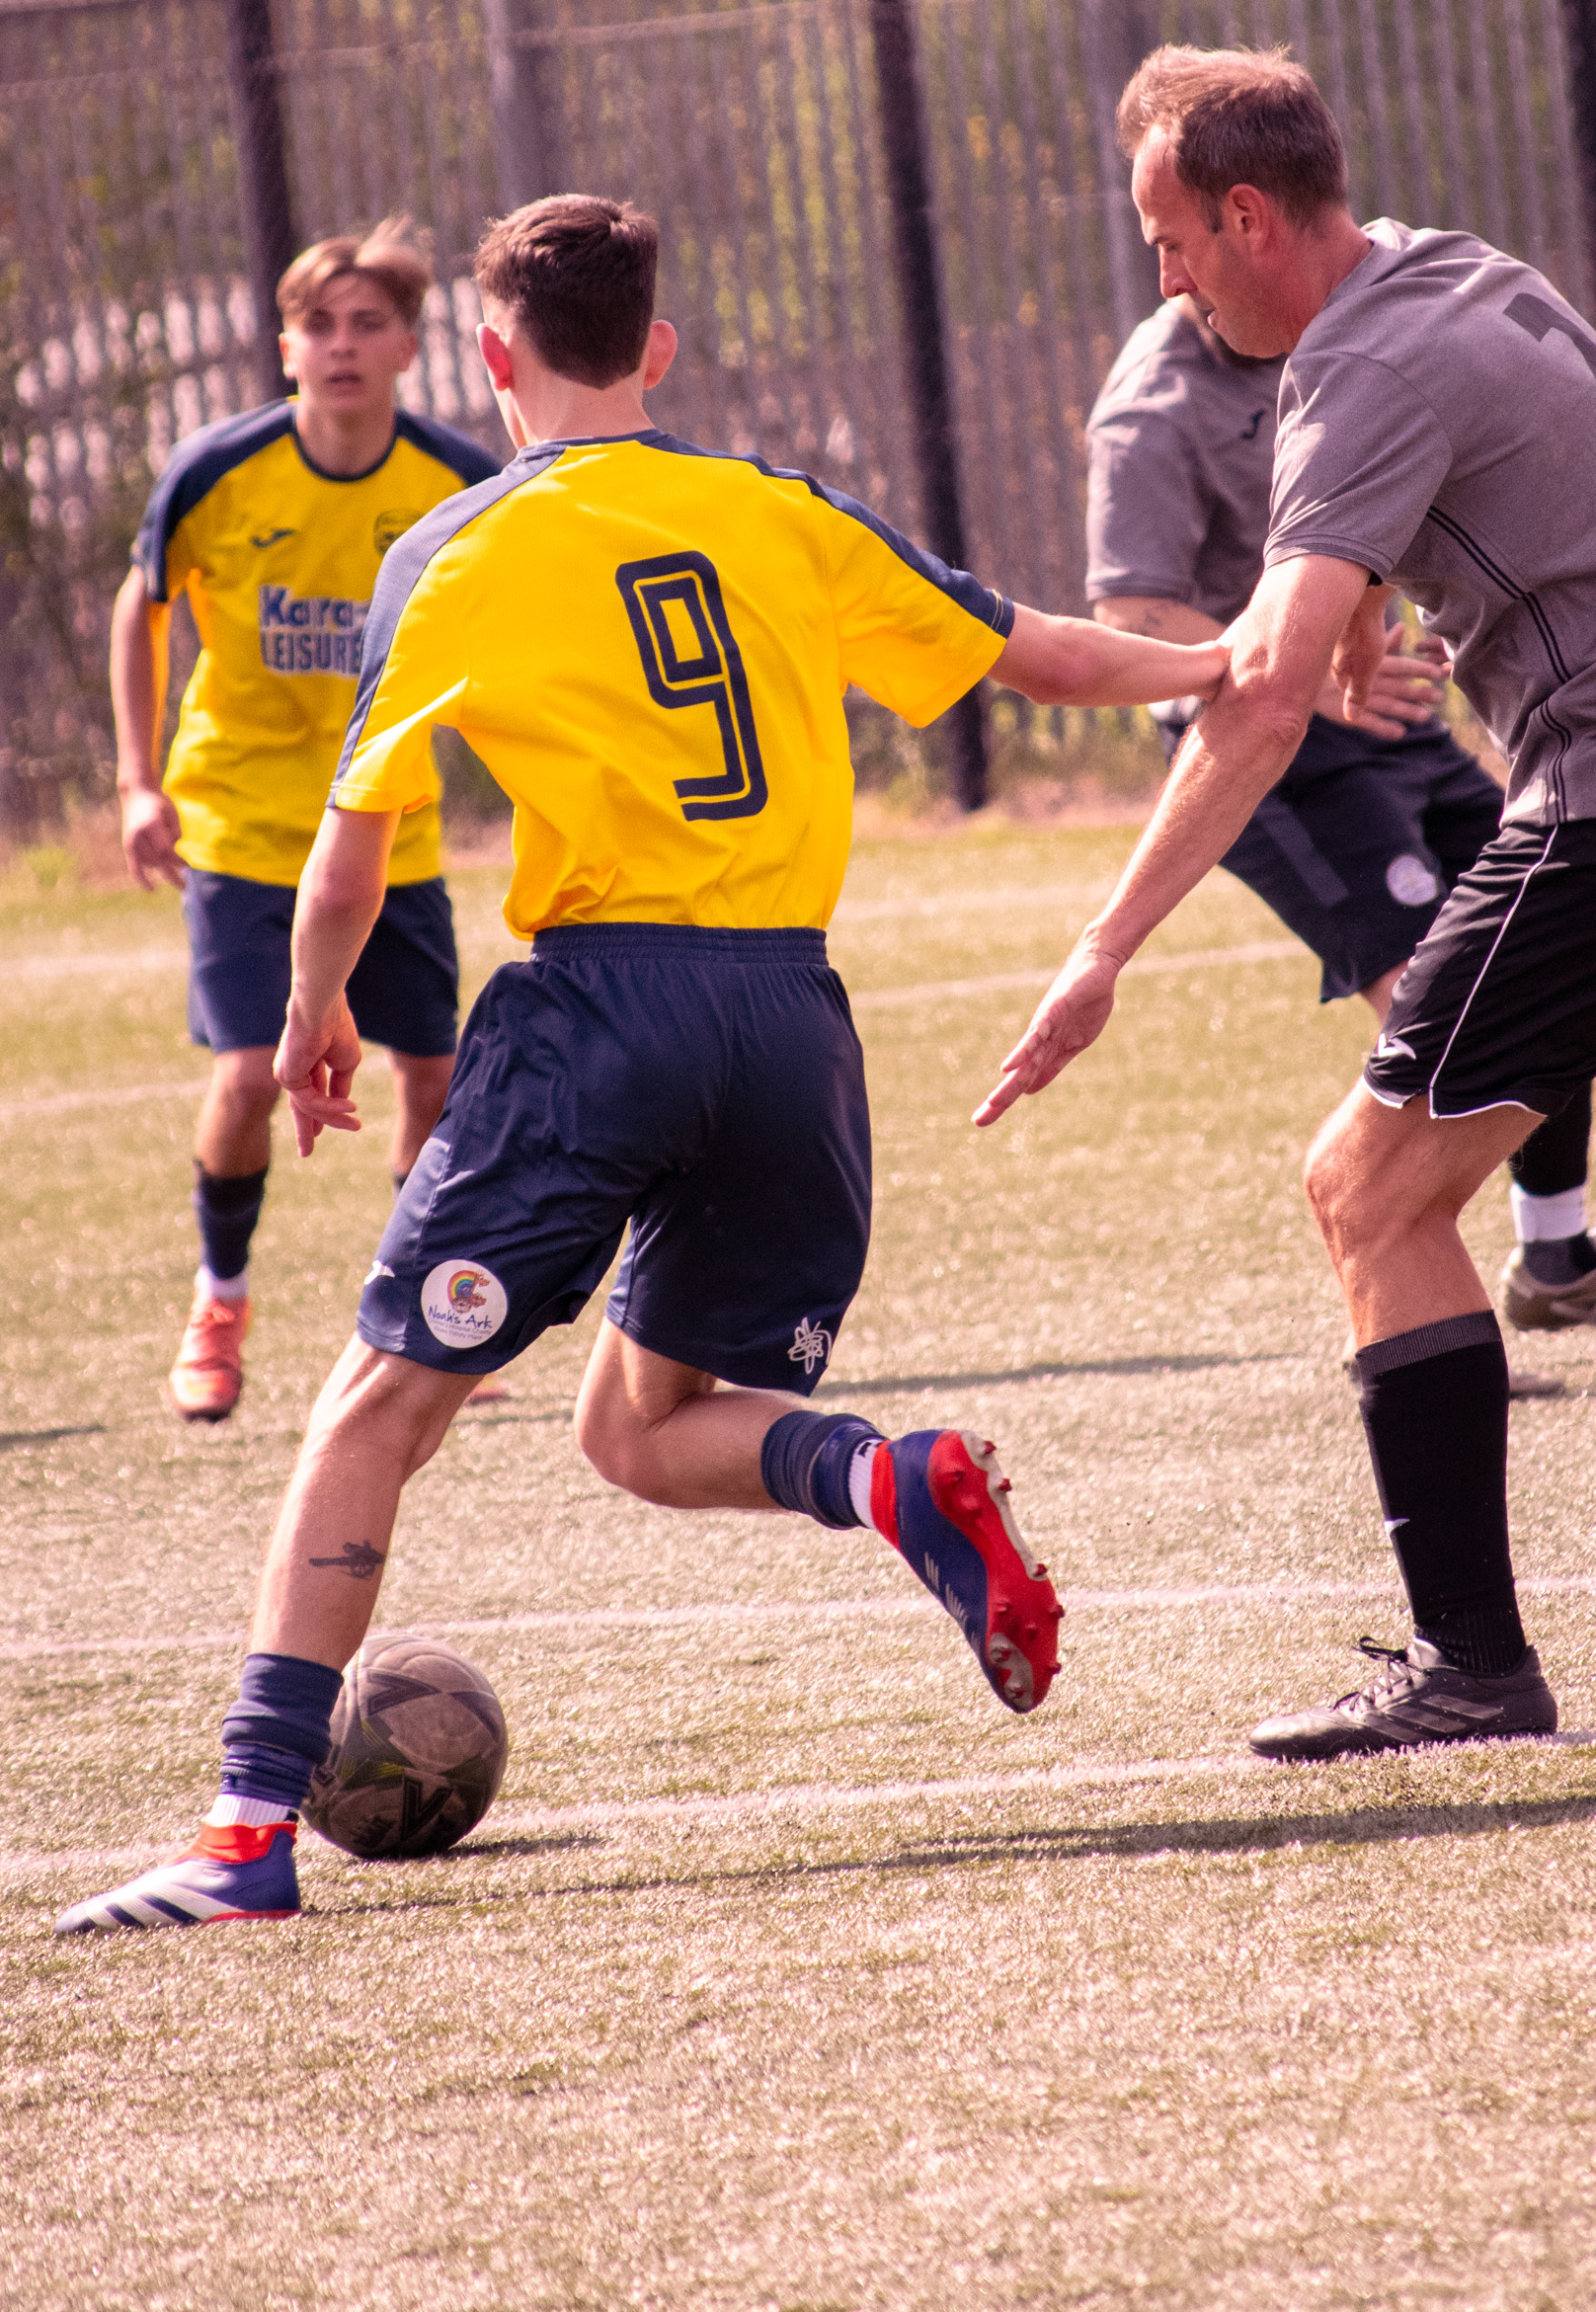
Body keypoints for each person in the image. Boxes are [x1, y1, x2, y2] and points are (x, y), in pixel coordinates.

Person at [59, 190, 1232, 1934]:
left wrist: (315, 1010)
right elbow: (1037, 654)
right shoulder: (777, 507)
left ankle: (243, 1832)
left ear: (492, 355)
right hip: (789, 1025)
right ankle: (879, 1475)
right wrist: (1238, 659)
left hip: (600, 1013)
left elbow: (355, 844)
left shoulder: (451, 546)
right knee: (634, 1424)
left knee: (377, 1408)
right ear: (658, 348)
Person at [981, 45, 1596, 1760]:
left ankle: (1470, 1667)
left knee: (1363, 1194)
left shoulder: (1356, 363)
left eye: (1170, 240)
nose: (1165, 282)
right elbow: (1401, 515)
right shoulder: (1452, 264)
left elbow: (1252, 707)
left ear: (1248, 214)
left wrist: (1100, 951)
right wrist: (1338, 623)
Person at [1084, 288, 1596, 1359]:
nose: (1166, 272)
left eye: (1178, 239)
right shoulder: (1152, 409)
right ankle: (1409, 1311)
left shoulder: (1336, 326)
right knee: (1457, 1008)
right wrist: (1310, 676)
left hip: (1386, 718)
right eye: (1157, 240)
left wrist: (1366, 636)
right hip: (1267, 751)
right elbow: (1130, 614)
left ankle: (1556, 1258)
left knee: (1542, 949)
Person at [111, 221, 500, 1424]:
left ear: (408, 345)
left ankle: (415, 1309)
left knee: (429, 1073)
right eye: (317, 325)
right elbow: (143, 607)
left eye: (365, 324)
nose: (340, 346)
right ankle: (218, 1304)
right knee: (245, 1076)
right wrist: (139, 779)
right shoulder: (216, 472)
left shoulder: (453, 479)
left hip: (394, 825)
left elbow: (503, 629)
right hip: (241, 819)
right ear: (285, 346)